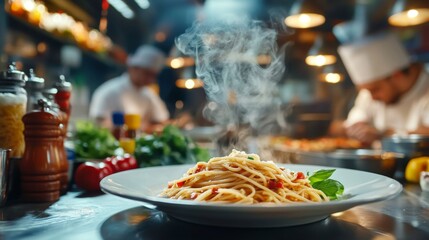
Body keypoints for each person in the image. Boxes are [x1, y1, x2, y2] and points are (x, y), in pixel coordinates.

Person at [335, 33, 429, 144]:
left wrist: (381, 135)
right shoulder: (369, 93)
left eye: (375, 89)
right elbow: (352, 119)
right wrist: (357, 126)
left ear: (396, 75)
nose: (373, 98)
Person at [89, 45, 169, 130]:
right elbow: (99, 124)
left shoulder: (149, 95)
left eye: (153, 76)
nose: (151, 79)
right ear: (133, 68)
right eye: (147, 74)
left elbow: (163, 120)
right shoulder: (108, 91)